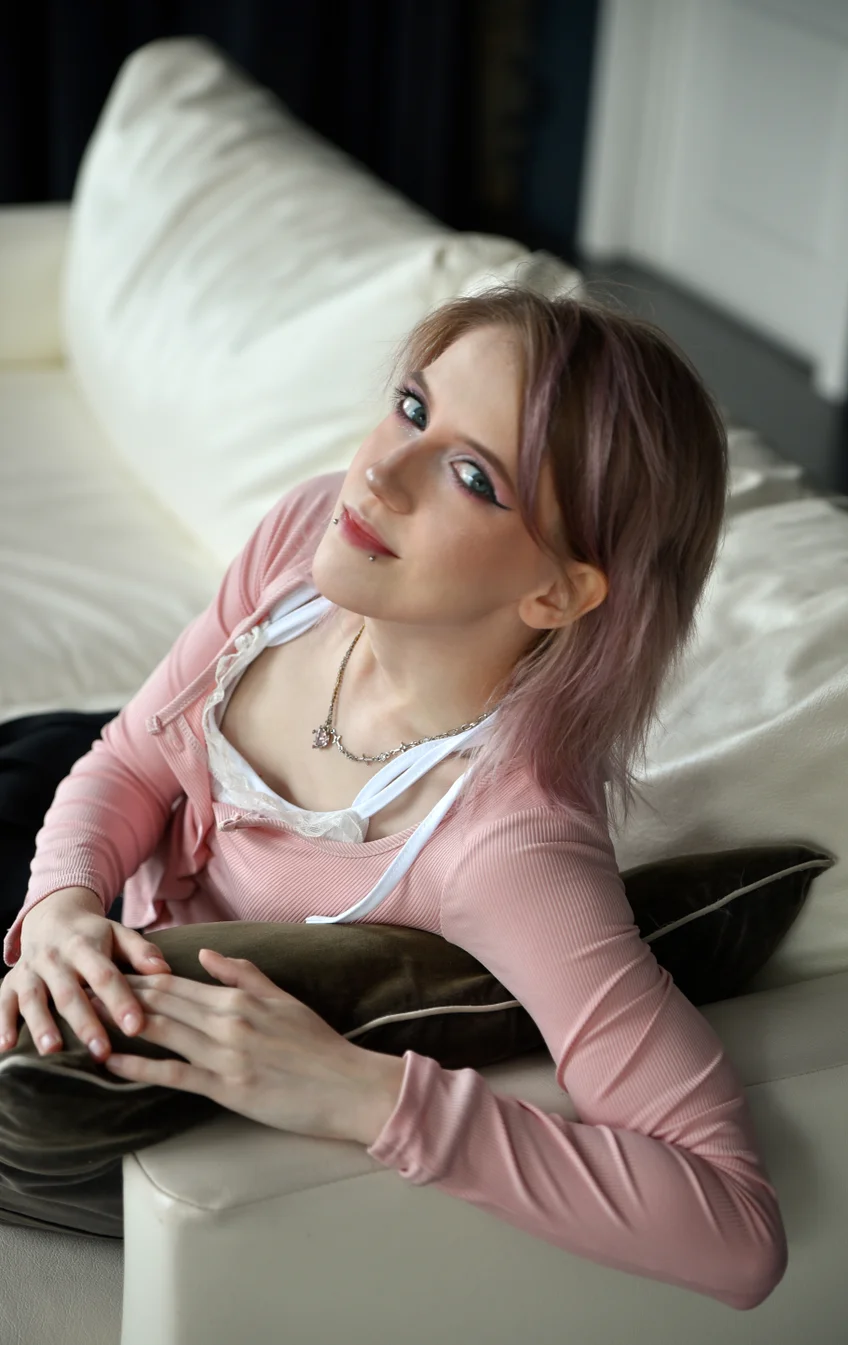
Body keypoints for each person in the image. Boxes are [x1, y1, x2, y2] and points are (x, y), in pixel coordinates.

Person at [0, 286, 787, 1308]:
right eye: (413, 408)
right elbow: (131, 759)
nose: (376, 472)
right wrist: (59, 905)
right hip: (64, 811)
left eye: (472, 476)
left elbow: (736, 1229)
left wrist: (367, 1094)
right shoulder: (307, 534)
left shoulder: (511, 851)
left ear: (556, 591)